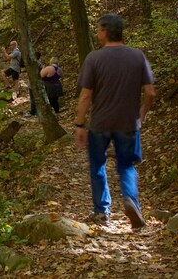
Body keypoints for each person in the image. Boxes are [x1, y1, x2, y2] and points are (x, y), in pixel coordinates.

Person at [74, 14, 155, 230]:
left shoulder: (94, 58)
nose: (97, 32)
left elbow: (85, 96)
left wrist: (80, 124)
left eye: (99, 29)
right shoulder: (137, 56)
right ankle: (131, 201)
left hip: (100, 124)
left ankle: (102, 212)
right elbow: (150, 92)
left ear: (105, 32)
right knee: (126, 165)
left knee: (97, 166)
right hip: (129, 123)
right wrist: (143, 112)